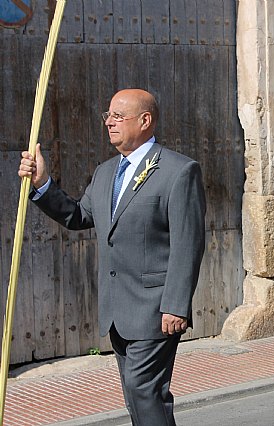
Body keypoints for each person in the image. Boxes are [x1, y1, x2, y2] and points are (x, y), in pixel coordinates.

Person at [18, 89, 206, 426]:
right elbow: (78, 216)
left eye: (119, 115)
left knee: (145, 390)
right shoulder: (106, 172)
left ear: (145, 120)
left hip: (155, 308)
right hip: (118, 310)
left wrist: (176, 304)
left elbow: (188, 242)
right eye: (108, 115)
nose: (109, 121)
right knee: (136, 397)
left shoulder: (178, 171)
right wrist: (43, 183)